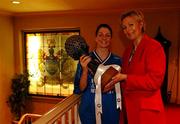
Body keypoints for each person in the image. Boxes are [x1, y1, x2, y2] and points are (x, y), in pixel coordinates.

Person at [104, 10, 166, 124]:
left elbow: (154, 81)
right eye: (124, 27)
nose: (127, 30)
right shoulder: (127, 51)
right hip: (129, 110)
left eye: (131, 25)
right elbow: (124, 79)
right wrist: (112, 84)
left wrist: (126, 77)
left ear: (141, 24)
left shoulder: (154, 47)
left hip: (146, 112)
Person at [73, 24, 122, 124]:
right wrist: (85, 70)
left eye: (107, 35)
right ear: (95, 38)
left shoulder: (117, 61)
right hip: (89, 109)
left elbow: (121, 86)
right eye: (100, 35)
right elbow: (81, 88)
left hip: (111, 109)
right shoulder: (85, 59)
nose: (104, 38)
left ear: (111, 39)